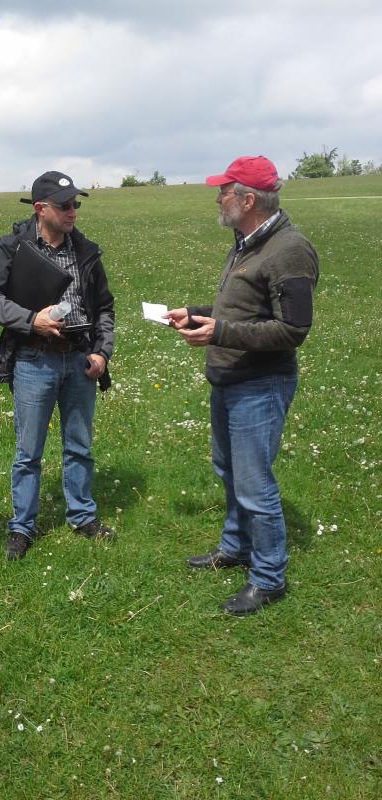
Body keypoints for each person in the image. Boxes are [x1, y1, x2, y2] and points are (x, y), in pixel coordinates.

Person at [165, 156, 318, 615]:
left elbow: (293, 330)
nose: (217, 198)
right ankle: (234, 548)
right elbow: (243, 310)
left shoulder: (289, 250)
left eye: (224, 191)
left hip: (260, 382)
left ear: (248, 200)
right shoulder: (247, 241)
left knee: (255, 485)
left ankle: (269, 577)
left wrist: (219, 333)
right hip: (229, 378)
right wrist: (195, 313)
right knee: (228, 471)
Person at [0, 171, 115, 560]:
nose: (73, 212)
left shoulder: (85, 250)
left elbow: (104, 307)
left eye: (76, 204)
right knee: (28, 451)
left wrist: (103, 352)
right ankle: (22, 527)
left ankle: (83, 517)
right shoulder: (12, 247)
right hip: (33, 359)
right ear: (41, 209)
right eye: (65, 205)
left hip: (80, 358)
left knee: (80, 446)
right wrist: (30, 319)